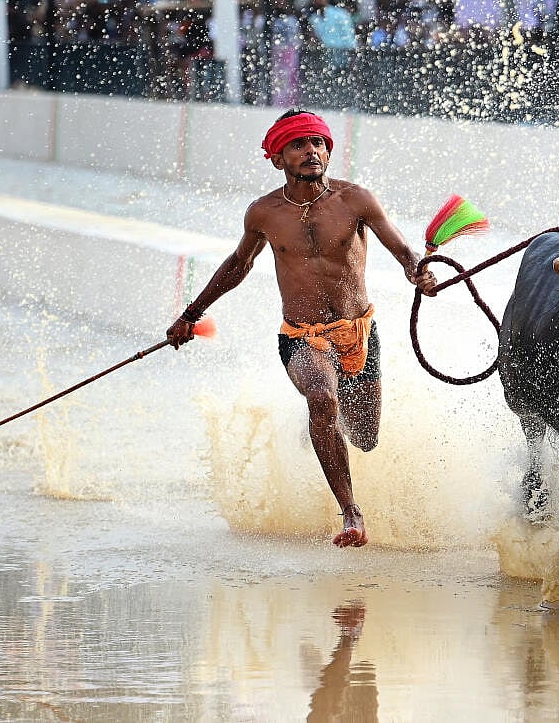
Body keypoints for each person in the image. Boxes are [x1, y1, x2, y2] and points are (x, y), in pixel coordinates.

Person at [166, 110, 438, 548]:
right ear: (278, 159)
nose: (311, 151)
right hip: (302, 336)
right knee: (322, 397)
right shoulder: (264, 213)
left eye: (318, 143)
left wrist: (418, 272)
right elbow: (239, 265)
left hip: (358, 334)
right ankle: (351, 513)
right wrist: (191, 314)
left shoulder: (357, 200)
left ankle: (317, 427)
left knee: (365, 437)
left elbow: (403, 251)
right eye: (298, 145)